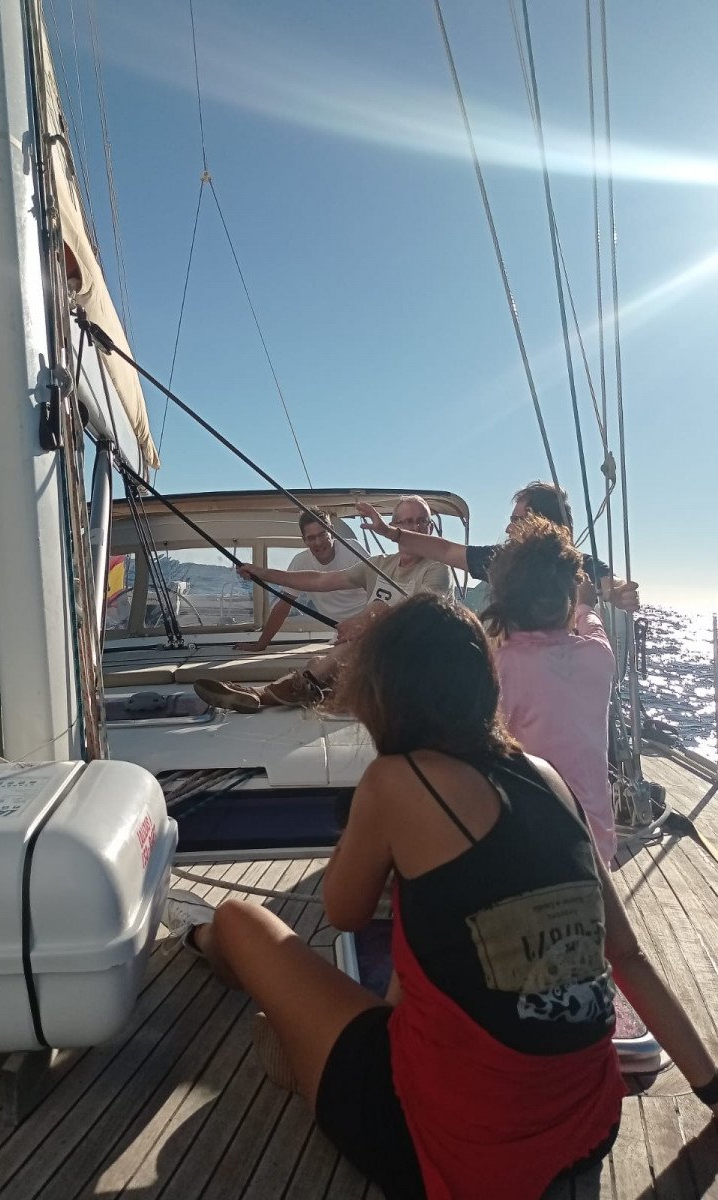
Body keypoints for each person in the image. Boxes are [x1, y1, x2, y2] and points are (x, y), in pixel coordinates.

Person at [164, 595, 718, 1200]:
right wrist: (711, 1087)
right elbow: (628, 956)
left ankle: (202, 938)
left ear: (382, 692)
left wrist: (378, 836)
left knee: (242, 920)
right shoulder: (546, 776)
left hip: (451, 1146)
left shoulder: (397, 779)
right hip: (588, 1128)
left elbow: (342, 913)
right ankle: (305, 1051)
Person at [194, 496, 453, 712]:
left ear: (430, 528)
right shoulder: (381, 564)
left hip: (412, 663)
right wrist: (263, 573)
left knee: (362, 634)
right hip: (377, 661)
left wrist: (366, 620)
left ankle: (262, 695)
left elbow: (422, 612)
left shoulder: (436, 569)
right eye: (407, 521)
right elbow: (320, 580)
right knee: (319, 661)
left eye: (421, 521)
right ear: (394, 526)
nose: (415, 528)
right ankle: (317, 692)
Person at [482, 515, 618, 864]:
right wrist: (586, 603)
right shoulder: (599, 655)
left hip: (533, 851)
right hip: (596, 848)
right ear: (567, 598)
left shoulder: (501, 667)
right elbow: (590, 622)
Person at [357, 481, 640, 611]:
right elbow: (444, 550)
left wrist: (619, 591)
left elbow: (609, 582)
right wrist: (390, 532)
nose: (507, 529)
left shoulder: (577, 564)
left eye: (516, 521)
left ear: (541, 525)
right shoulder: (503, 560)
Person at [233, 509, 366, 653]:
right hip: (343, 633)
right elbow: (283, 605)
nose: (318, 542)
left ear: (332, 531)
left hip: (370, 624)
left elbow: (379, 590)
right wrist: (260, 645)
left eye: (322, 534)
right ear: (304, 540)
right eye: (311, 538)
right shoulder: (300, 562)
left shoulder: (353, 549)